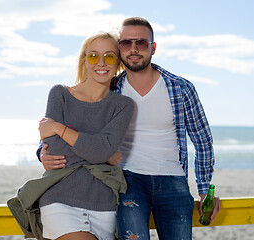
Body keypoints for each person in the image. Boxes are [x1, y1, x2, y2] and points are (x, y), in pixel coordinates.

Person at [38, 17, 221, 240]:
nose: (133, 49)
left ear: (153, 48)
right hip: (128, 181)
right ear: (120, 51)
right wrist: (43, 151)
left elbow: (202, 139)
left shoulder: (180, 88)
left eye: (141, 43)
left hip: (173, 179)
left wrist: (204, 190)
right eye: (126, 43)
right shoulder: (112, 88)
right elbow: (73, 124)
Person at [8, 32, 134, 240]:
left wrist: (59, 129)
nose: (101, 62)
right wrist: (104, 154)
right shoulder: (60, 94)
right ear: (84, 61)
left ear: (118, 63)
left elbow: (99, 150)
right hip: (60, 200)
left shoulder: (123, 106)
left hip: (104, 204)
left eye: (109, 56)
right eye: (93, 56)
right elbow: (58, 151)